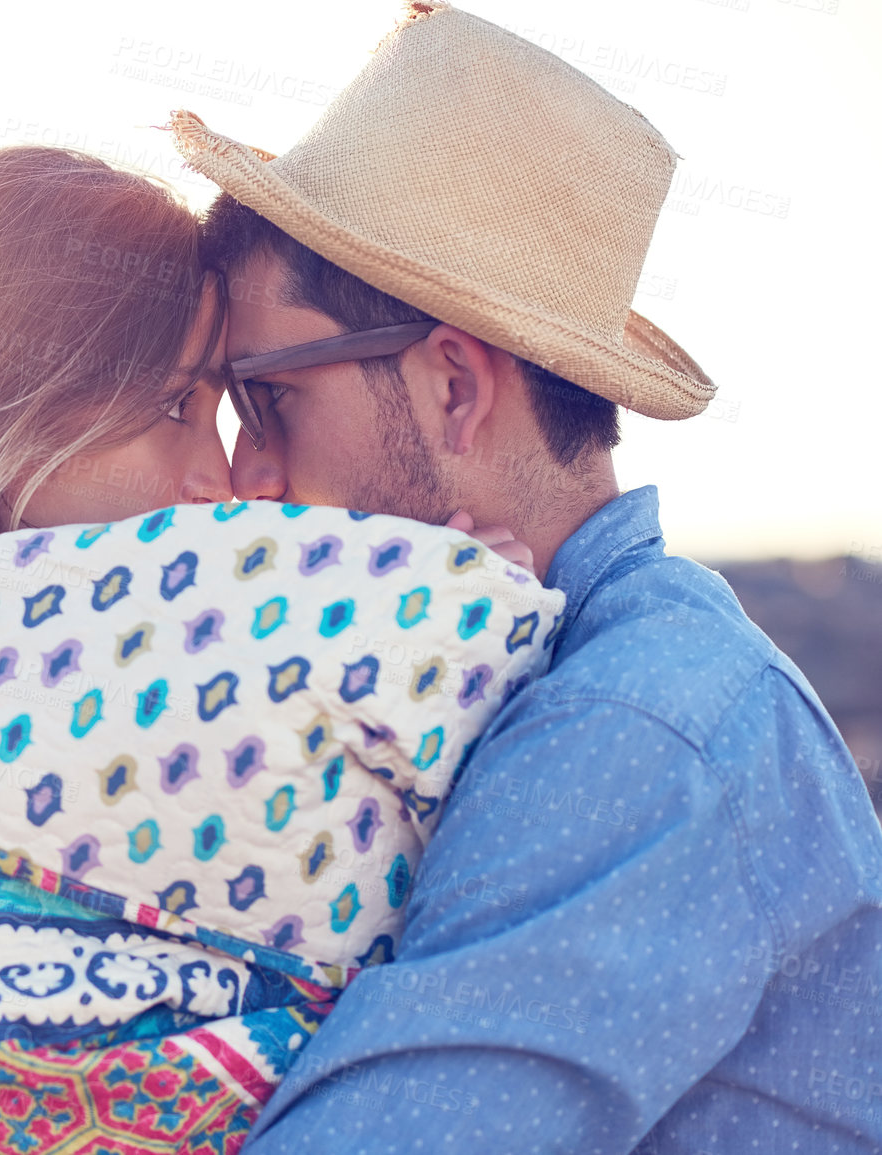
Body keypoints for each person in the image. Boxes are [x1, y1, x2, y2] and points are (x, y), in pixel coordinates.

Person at [0, 142, 563, 1153]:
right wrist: (455, 588)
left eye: (226, 411)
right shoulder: (255, 613)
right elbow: (460, 658)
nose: (220, 478)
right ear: (6, 404)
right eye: (174, 407)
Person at [167, 3, 882, 1151]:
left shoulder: (637, 733)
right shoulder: (521, 677)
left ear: (454, 388)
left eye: (268, 400)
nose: (246, 475)